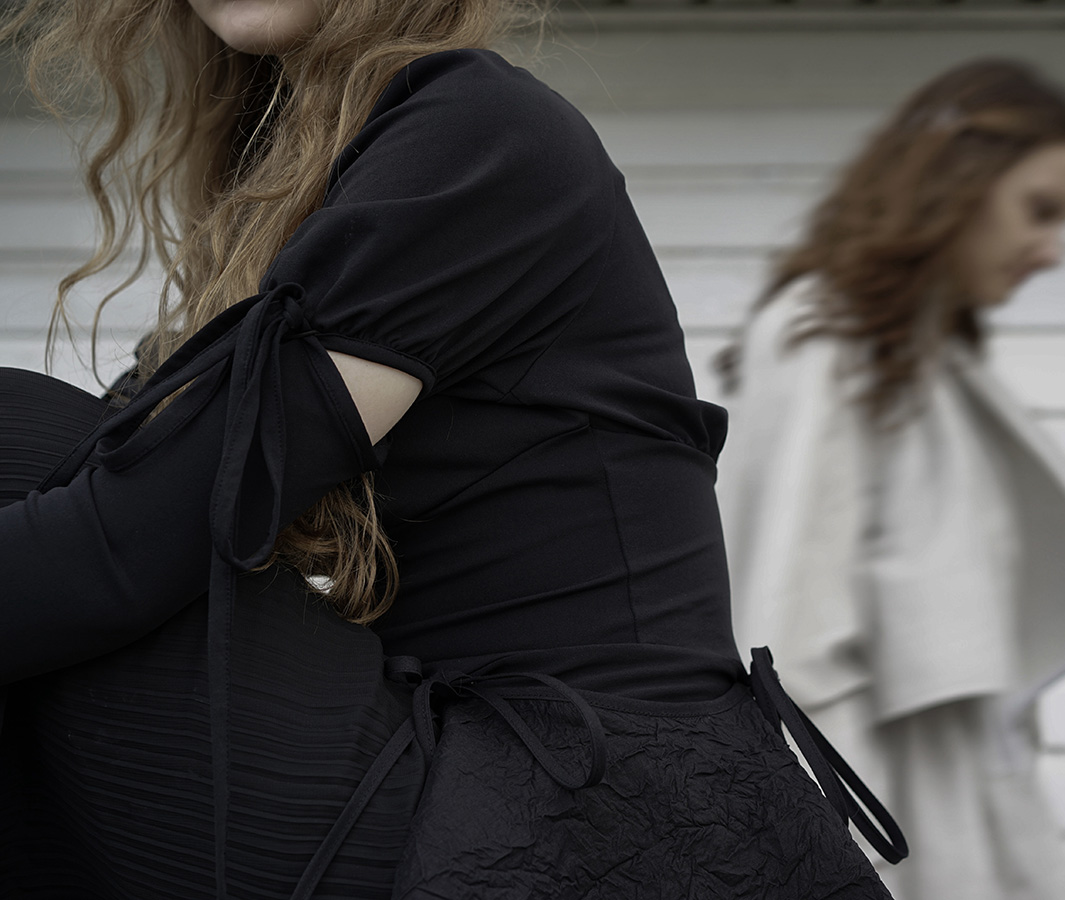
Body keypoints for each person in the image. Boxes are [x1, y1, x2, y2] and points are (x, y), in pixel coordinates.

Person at [0, 1, 905, 897]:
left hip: (586, 818)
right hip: (455, 762)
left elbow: (124, 545)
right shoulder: (322, 169)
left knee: (15, 430)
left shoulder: (480, 132)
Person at [717, 60, 1065, 900]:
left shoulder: (926, 361)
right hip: (894, 829)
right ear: (958, 179)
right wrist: (852, 874)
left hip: (966, 807)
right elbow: (792, 648)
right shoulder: (825, 340)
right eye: (1041, 211)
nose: (1054, 252)